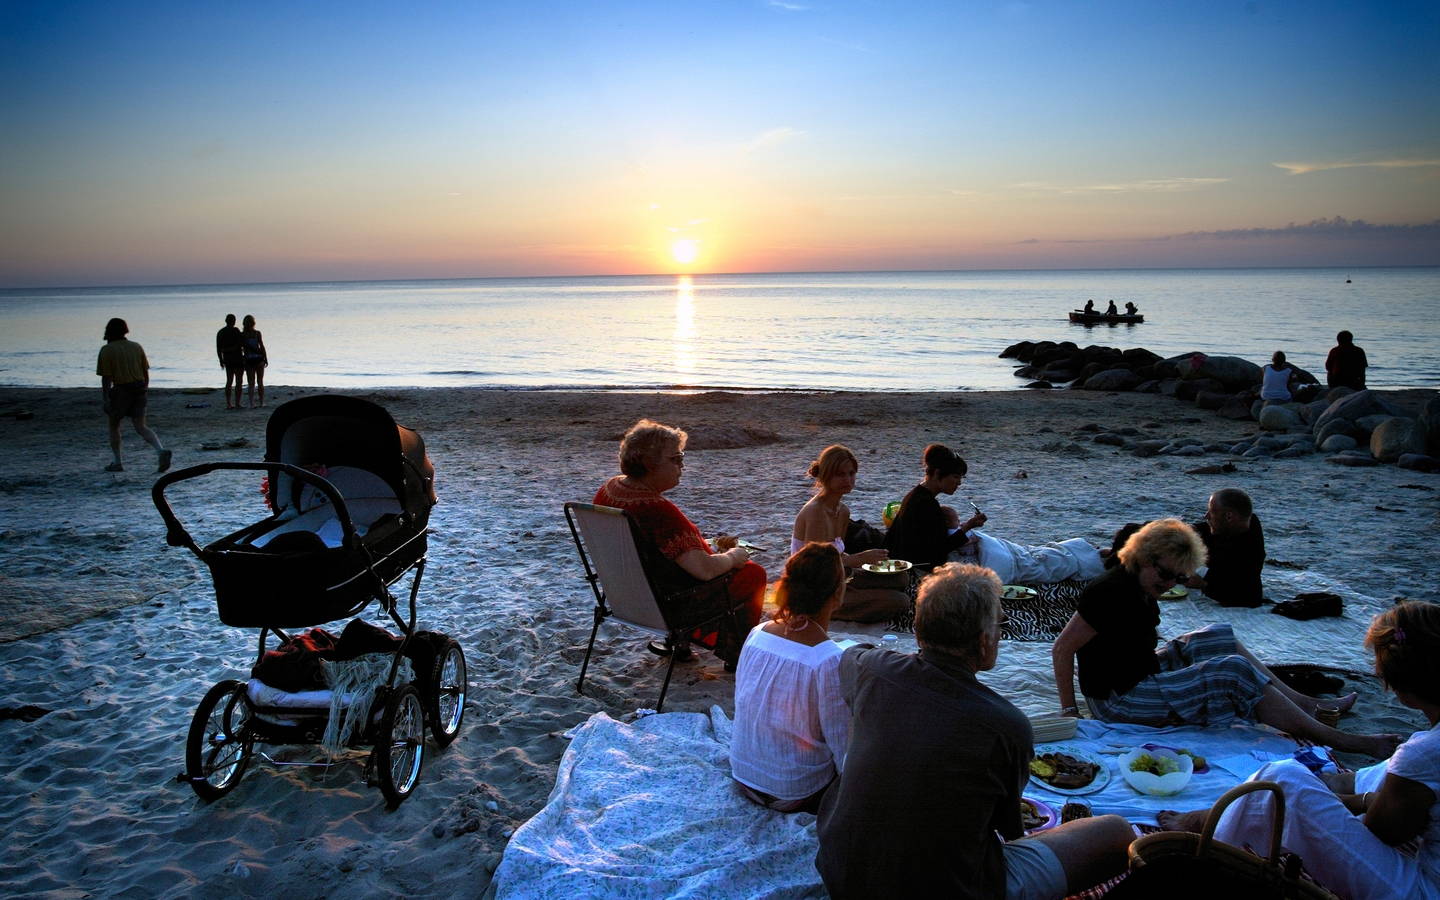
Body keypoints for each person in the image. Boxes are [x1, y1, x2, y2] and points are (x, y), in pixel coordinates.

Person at [815, 563, 1135, 899]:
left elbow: (854, 653)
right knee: (1115, 832)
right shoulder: (1006, 725)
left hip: (840, 870)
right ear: (984, 643)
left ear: (918, 628)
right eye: (999, 625)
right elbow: (1009, 829)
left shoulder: (868, 668)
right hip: (946, 888)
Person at [1051, 518, 1401, 758]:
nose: (1170, 583)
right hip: (1119, 701)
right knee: (1232, 671)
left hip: (1140, 673)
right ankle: (1340, 739)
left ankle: (1309, 705)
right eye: (1165, 574)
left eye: (1178, 578)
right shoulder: (1109, 591)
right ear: (1142, 558)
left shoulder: (1139, 585)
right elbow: (1062, 648)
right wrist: (1070, 711)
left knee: (1218, 636)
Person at [1160, 601, 1440, 899]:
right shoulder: (1425, 749)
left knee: (1282, 781)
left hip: (1420, 891)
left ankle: (1208, 828)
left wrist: (1363, 802)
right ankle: (1328, 783)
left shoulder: (1423, 752)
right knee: (1391, 770)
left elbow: (1384, 832)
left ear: (1398, 682)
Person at [593, 419, 765, 668]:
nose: (682, 464)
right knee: (752, 573)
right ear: (649, 464)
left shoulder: (610, 489)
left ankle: (680, 644)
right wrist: (734, 556)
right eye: (675, 459)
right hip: (668, 606)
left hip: (624, 598)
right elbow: (704, 570)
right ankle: (735, 655)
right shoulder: (656, 510)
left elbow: (653, 551)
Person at [731, 542, 851, 813]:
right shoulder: (828, 660)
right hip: (794, 790)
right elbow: (842, 744)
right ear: (837, 594)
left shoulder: (758, 633)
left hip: (743, 774)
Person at [887, 444, 1105, 584]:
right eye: (955, 477)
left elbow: (897, 538)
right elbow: (937, 551)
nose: (959, 483)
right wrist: (967, 528)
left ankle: (1080, 551)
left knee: (1028, 554)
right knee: (1027, 560)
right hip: (927, 569)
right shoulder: (924, 505)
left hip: (925, 563)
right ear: (936, 474)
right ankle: (1084, 555)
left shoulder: (917, 497)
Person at [792, 445, 907, 622]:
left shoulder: (842, 510)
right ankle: (824, 612)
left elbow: (837, 552)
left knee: (900, 577)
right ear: (826, 476)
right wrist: (858, 559)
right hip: (813, 590)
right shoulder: (815, 512)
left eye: (851, 473)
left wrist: (868, 561)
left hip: (837, 577)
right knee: (899, 601)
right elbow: (813, 567)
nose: (848, 479)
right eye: (840, 474)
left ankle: (849, 599)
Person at [96, 318, 171, 474]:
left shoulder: (107, 350)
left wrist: (105, 398)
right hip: (139, 388)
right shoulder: (136, 347)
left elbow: (107, 377)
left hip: (121, 389)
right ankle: (160, 450)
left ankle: (117, 462)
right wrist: (145, 389)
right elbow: (145, 372)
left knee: (114, 425)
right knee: (141, 426)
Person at [1189, 488, 1265, 608]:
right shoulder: (1242, 522)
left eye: (1211, 512)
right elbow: (1207, 528)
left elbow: (1250, 596)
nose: (1206, 516)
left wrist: (1202, 584)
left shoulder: (1245, 552)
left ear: (1229, 516)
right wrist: (1191, 529)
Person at [216, 314, 244, 409]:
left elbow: (218, 348)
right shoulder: (236, 331)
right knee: (238, 381)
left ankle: (229, 403)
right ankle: (237, 403)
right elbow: (241, 344)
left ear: (226, 321)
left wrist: (221, 359)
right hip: (237, 358)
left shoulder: (221, 332)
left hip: (228, 359)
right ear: (234, 321)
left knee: (229, 381)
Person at [240, 314, 268, 408]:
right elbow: (262, 346)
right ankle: (261, 402)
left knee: (251, 383)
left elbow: (241, 348)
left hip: (249, 360)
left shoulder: (242, 335)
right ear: (253, 323)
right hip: (259, 359)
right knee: (260, 381)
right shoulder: (257, 333)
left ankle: (252, 403)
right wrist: (265, 358)